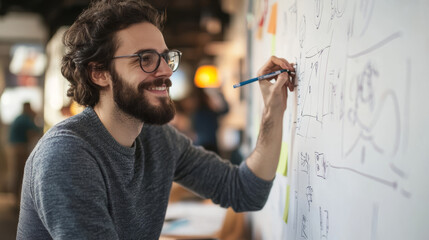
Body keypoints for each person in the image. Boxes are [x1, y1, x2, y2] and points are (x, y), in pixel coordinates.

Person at [17, 0, 295, 239]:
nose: (165, 71)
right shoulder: (66, 155)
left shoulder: (157, 138)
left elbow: (245, 191)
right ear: (99, 73)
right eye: (146, 59)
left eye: (165, 57)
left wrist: (273, 112)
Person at [8, 102, 41, 208]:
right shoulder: (25, 119)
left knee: (17, 174)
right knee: (21, 174)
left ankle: (15, 201)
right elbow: (37, 130)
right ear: (27, 108)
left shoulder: (19, 118)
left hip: (14, 147)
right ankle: (18, 202)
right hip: (20, 149)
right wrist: (36, 117)